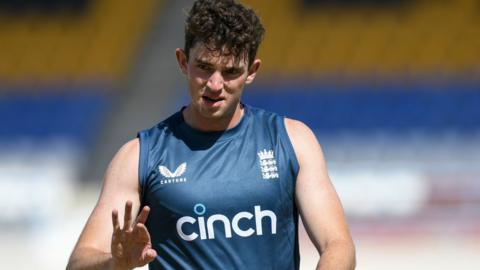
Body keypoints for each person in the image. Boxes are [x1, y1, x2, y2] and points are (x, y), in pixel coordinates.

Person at [67, 0, 356, 269]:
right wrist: (114, 263)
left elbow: (338, 245)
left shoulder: (292, 141)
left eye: (230, 72)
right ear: (183, 62)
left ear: (251, 71)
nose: (215, 84)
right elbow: (80, 261)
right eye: (204, 68)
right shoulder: (139, 156)